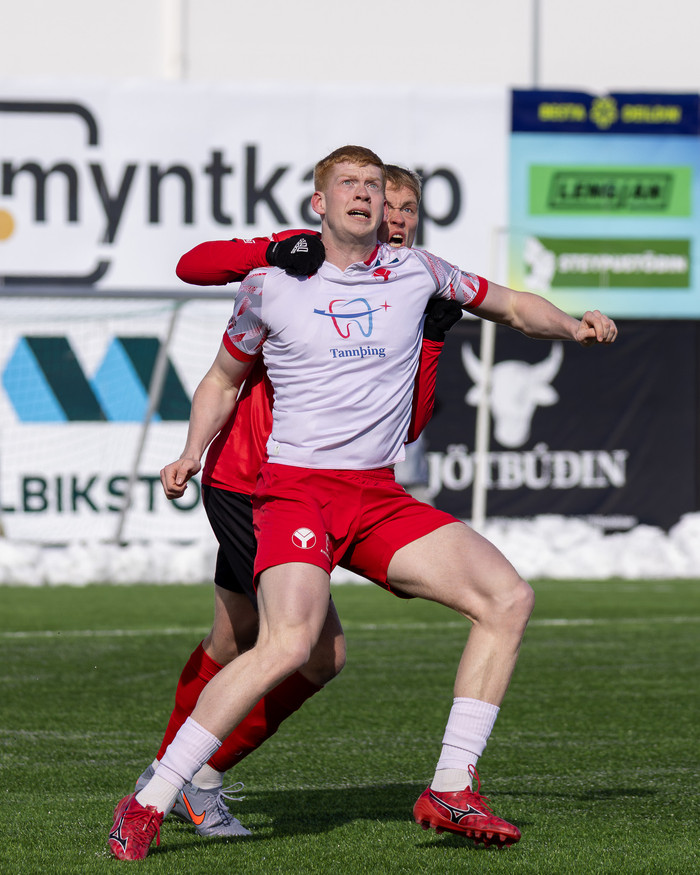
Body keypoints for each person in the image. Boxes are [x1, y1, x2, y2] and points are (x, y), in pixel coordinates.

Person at [109, 145, 617, 860]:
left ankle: (451, 787)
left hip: (375, 493)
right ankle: (152, 798)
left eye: (375, 186)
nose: (365, 195)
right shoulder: (271, 283)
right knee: (287, 644)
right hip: (292, 491)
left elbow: (508, 305)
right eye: (348, 183)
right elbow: (222, 377)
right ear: (319, 203)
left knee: (508, 598)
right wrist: (192, 451)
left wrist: (570, 322)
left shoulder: (419, 272)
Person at [124, 166, 461, 841]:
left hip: (309, 490)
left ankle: (173, 775)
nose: (396, 217)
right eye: (388, 204)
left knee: (234, 638)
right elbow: (194, 265)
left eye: (408, 209)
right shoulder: (302, 262)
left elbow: (409, 425)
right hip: (254, 483)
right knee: (312, 652)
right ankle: (189, 777)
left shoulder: (401, 288)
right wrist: (273, 248)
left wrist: (430, 342)